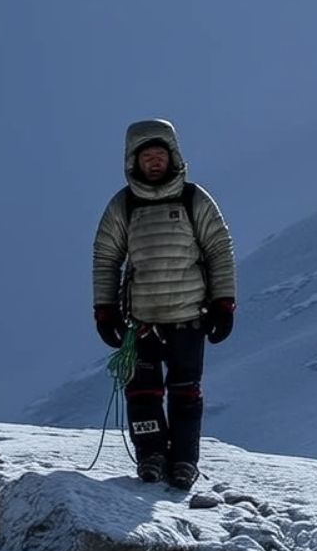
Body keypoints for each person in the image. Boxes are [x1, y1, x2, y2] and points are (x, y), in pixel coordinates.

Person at [91, 118, 237, 490]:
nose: (154, 163)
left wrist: (224, 303)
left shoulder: (194, 199)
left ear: (173, 157)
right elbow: (106, 257)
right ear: (133, 162)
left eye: (160, 155)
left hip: (190, 317)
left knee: (186, 393)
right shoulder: (122, 205)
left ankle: (185, 461)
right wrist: (104, 309)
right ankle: (151, 456)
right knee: (142, 395)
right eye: (146, 158)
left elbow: (219, 250)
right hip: (140, 321)